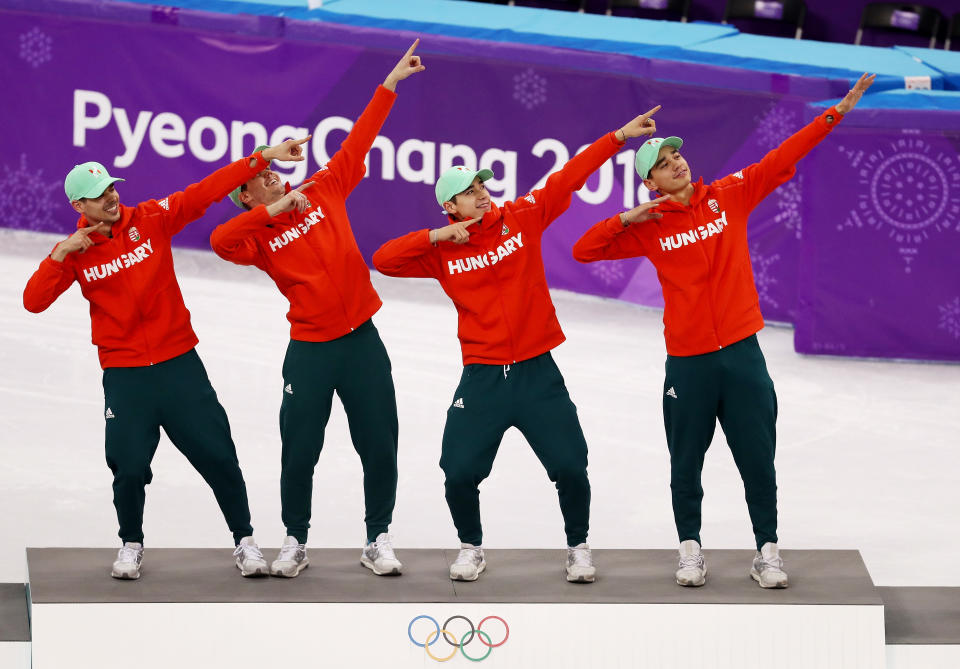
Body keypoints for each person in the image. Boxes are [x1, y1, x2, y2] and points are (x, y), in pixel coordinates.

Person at [573, 73, 876, 589]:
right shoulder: (648, 225)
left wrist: (834, 114)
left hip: (742, 354)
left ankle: (767, 550)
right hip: (688, 362)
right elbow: (585, 250)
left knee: (757, 458)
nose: (677, 164)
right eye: (664, 165)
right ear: (651, 183)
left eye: (676, 157)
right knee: (685, 461)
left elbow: (780, 158)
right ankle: (690, 550)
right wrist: (626, 218)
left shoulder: (728, 196)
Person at [372, 107, 661, 583]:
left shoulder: (522, 217)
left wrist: (619, 136)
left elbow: (568, 177)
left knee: (570, 465)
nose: (482, 194)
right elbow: (384, 259)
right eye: (469, 192)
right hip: (483, 376)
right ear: (451, 207)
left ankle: (578, 548)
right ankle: (470, 547)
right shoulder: (441, 252)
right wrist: (435, 236)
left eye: (482, 186)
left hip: (536, 371)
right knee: (459, 470)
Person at [23, 136, 313, 580]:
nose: (112, 199)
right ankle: (131, 545)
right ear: (80, 204)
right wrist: (58, 256)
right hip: (126, 375)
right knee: (129, 465)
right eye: (100, 196)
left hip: (180, 364)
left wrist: (261, 159)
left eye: (113, 189)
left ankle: (245, 541)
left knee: (219, 455)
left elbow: (207, 190)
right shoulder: (77, 252)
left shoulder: (152, 218)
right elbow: (33, 302)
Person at [210, 41, 425, 579]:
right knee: (299, 449)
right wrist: (275, 211)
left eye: (270, 172)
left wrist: (389, 85)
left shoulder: (324, 188)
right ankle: (294, 540)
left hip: (361, 341)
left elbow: (358, 142)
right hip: (309, 349)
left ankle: (377, 538)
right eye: (258, 181)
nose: (271, 179)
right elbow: (218, 241)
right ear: (245, 197)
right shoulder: (255, 236)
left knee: (379, 443)